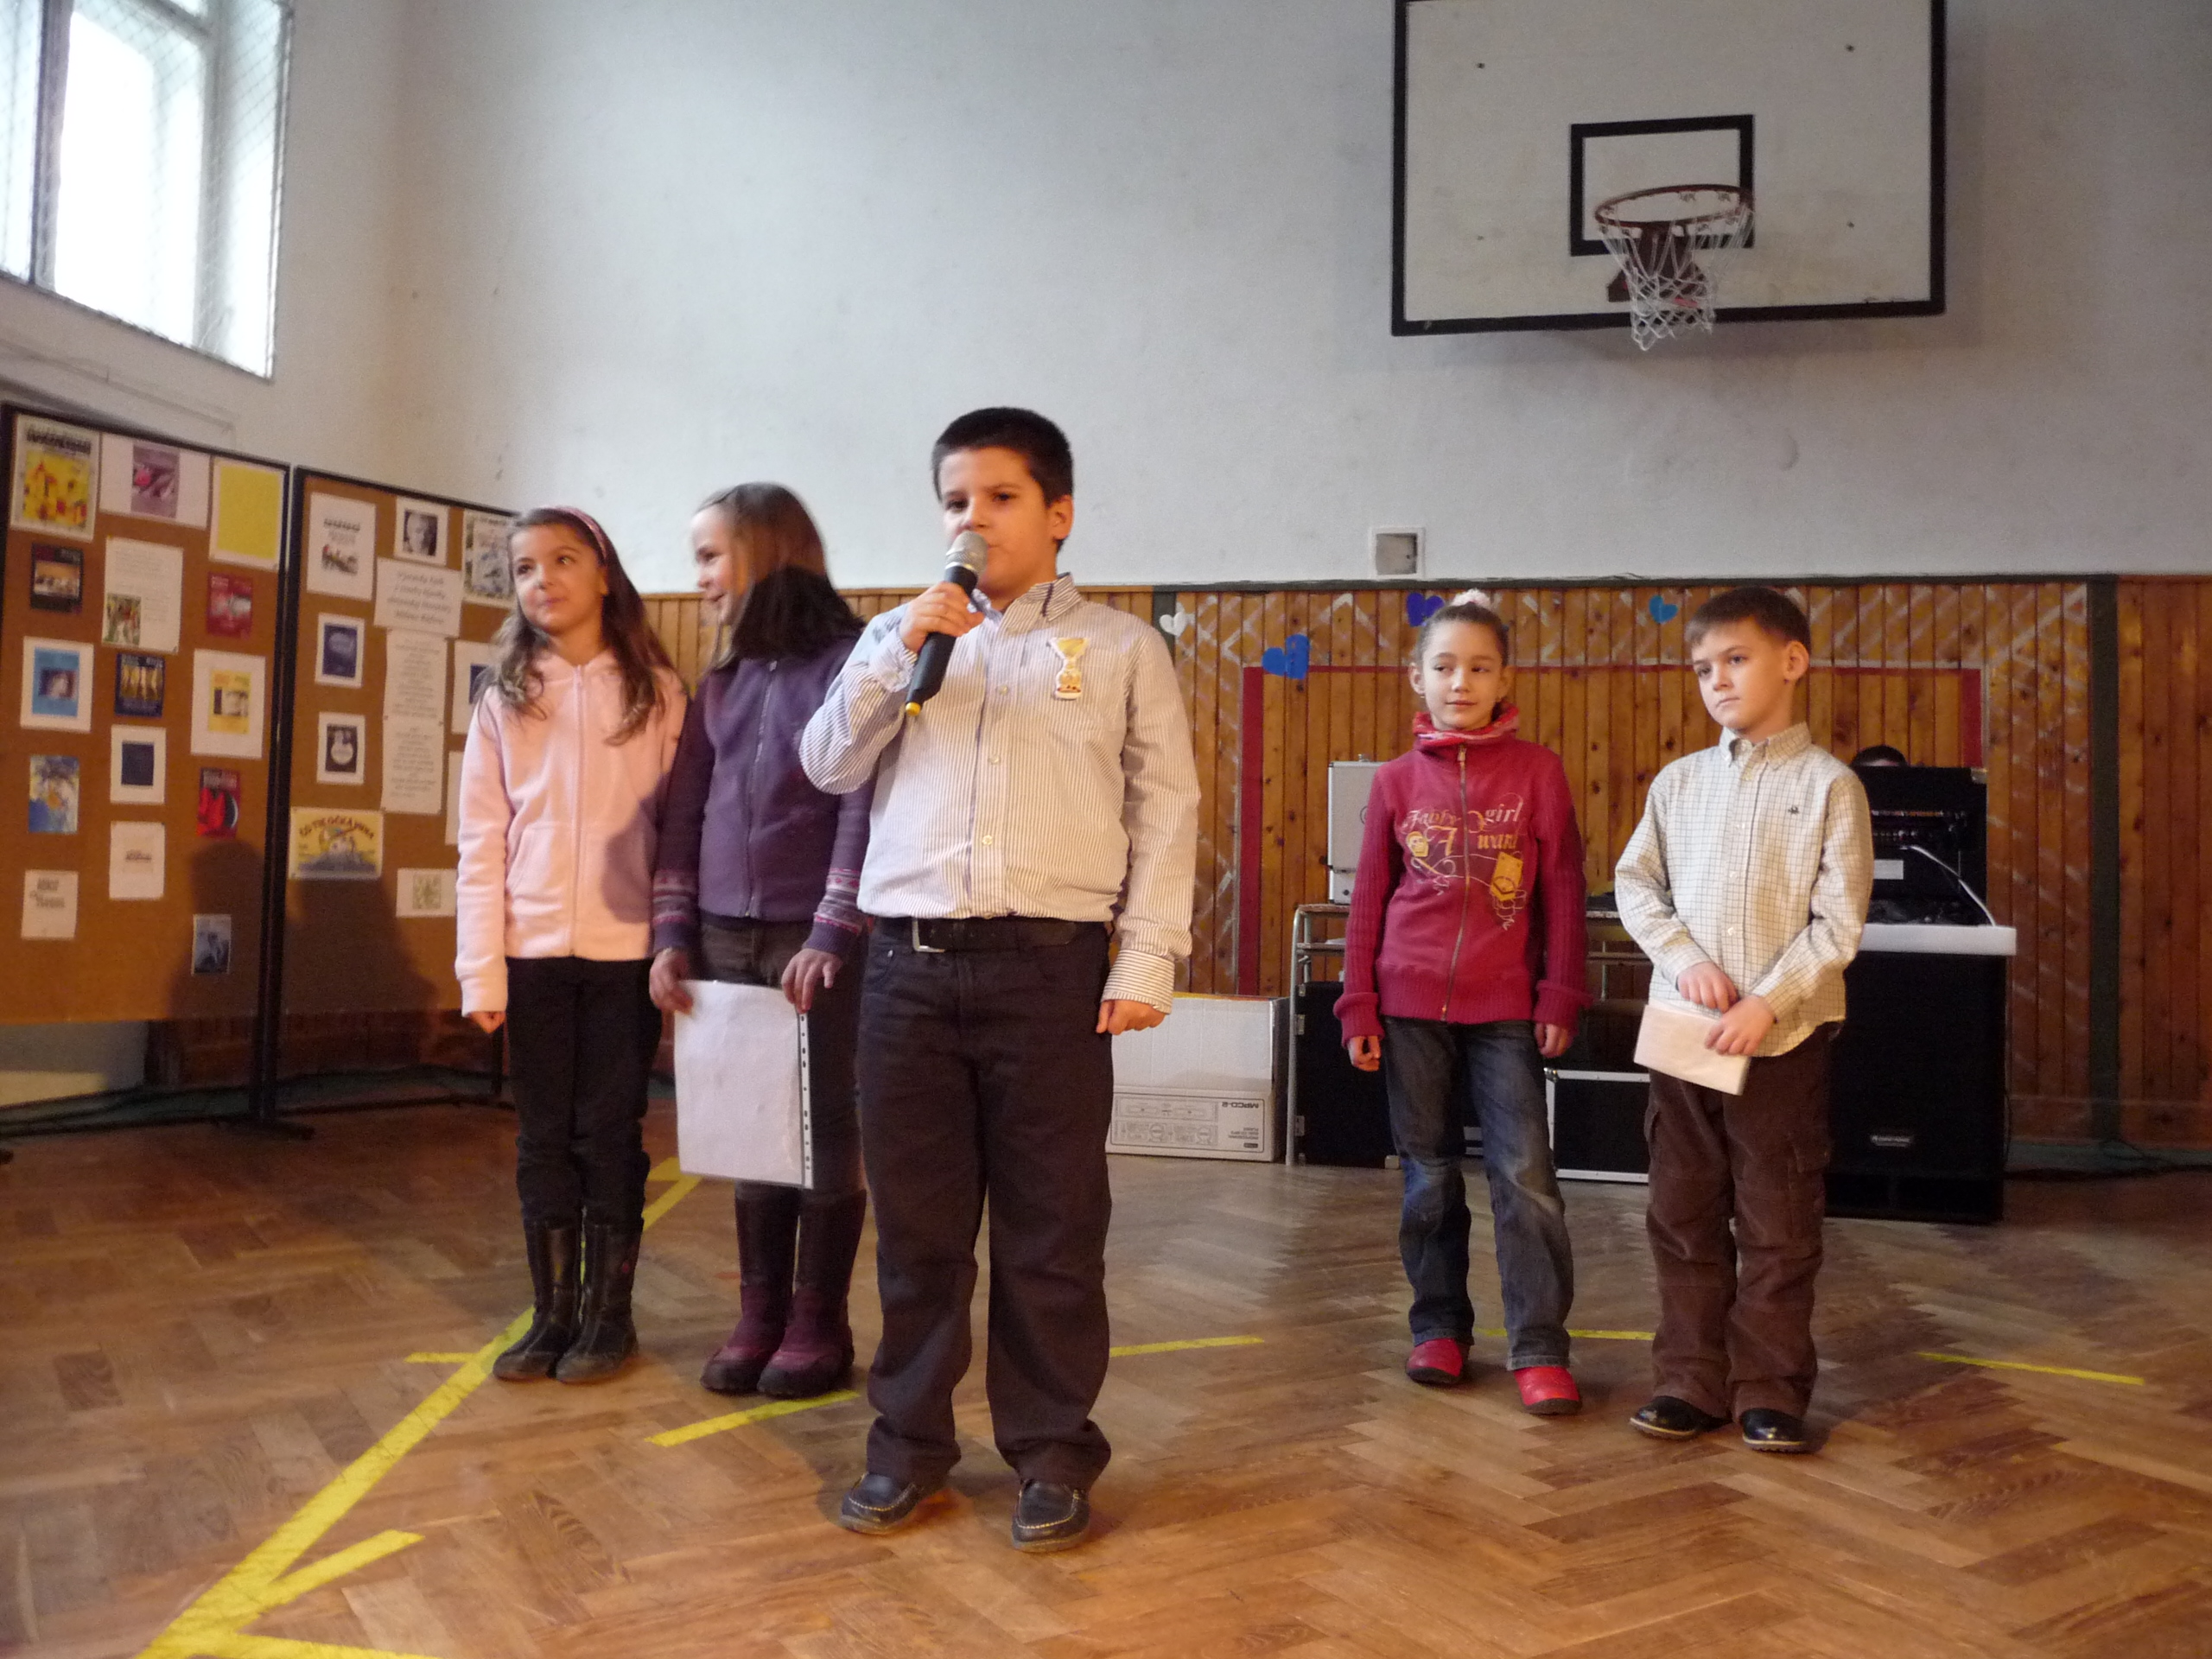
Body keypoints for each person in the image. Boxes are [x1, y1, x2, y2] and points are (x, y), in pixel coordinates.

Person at [801, 407, 1199, 1553]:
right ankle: (908, 1446)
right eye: (954, 502)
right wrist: (897, 651)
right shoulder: (902, 634)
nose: (971, 519)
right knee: (919, 1235)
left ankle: (1053, 1451)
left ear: (1058, 513)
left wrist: (1147, 955)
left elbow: (1164, 808)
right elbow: (826, 765)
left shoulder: (1121, 648)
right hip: (908, 973)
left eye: (999, 497)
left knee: (1052, 1230)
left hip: (1050, 971)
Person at [1613, 585, 1872, 1453]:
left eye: (1735, 659)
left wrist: (1767, 1002)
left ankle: (1769, 1387)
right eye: (1702, 668)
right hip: (1684, 1034)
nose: (1716, 680)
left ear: (1792, 662)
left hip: (1782, 1041)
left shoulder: (1830, 787)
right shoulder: (1678, 784)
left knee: (1777, 1218)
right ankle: (1689, 1379)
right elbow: (1636, 885)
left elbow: (1837, 923)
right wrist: (1684, 959)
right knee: (1681, 1211)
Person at [1335, 593, 1591, 1414]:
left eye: (1480, 668)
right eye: (1444, 667)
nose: (1461, 682)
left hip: (1506, 1012)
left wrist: (1561, 992)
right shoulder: (1394, 782)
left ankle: (1539, 1346)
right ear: (1418, 677)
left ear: (1504, 678)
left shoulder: (1539, 772)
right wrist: (1358, 1004)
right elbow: (1369, 902)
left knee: (1525, 1177)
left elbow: (1564, 891)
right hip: (1407, 1010)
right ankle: (1439, 1327)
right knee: (1429, 1176)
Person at [649, 483, 872, 1401]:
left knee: (820, 1130)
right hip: (721, 937)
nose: (699, 576)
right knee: (750, 1132)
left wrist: (832, 926)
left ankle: (819, 1322)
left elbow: (862, 801)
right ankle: (759, 1315)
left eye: (710, 556)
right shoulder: (723, 680)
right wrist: (672, 932)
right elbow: (683, 814)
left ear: (768, 553)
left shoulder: (851, 663)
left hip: (811, 940)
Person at [455, 507, 686, 1385]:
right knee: (544, 1136)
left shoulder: (657, 693)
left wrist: (675, 948)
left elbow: (680, 834)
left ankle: (607, 1319)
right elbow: (480, 841)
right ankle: (551, 1316)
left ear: (603, 574)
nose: (542, 579)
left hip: (627, 956)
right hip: (533, 956)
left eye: (561, 560)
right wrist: (481, 970)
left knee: (608, 1134)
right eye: (524, 568)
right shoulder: (504, 697)